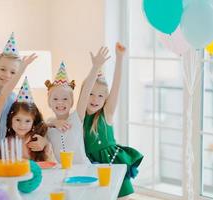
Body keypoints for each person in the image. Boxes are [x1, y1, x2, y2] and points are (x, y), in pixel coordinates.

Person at [83, 43, 143, 199]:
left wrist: (120, 58)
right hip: (92, 165)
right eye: (90, 93)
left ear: (105, 99)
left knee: (123, 198)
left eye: (101, 96)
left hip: (112, 162)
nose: (95, 99)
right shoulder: (79, 117)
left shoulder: (106, 114)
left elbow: (116, 86)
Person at [45, 47, 110, 164]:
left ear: (72, 102)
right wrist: (53, 123)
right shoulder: (47, 125)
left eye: (65, 99)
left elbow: (85, 93)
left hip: (83, 170)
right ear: (49, 102)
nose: (60, 102)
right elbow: (37, 127)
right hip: (62, 173)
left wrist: (95, 67)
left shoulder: (76, 118)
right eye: (55, 99)